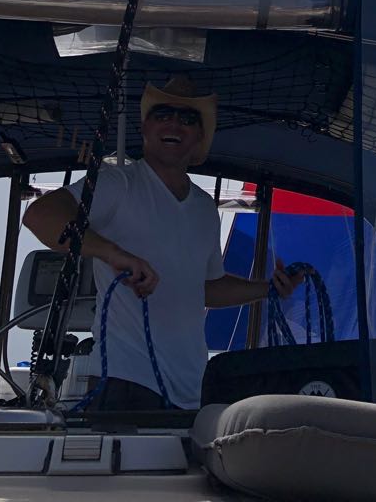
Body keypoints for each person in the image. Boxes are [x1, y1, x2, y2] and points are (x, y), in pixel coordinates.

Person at [23, 77, 302, 410]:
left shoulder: (204, 208)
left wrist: (267, 289)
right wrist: (113, 253)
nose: (174, 123)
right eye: (163, 114)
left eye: (187, 119)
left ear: (200, 136)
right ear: (145, 126)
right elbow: (40, 215)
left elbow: (206, 288)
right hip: (126, 381)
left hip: (192, 389)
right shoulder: (118, 182)